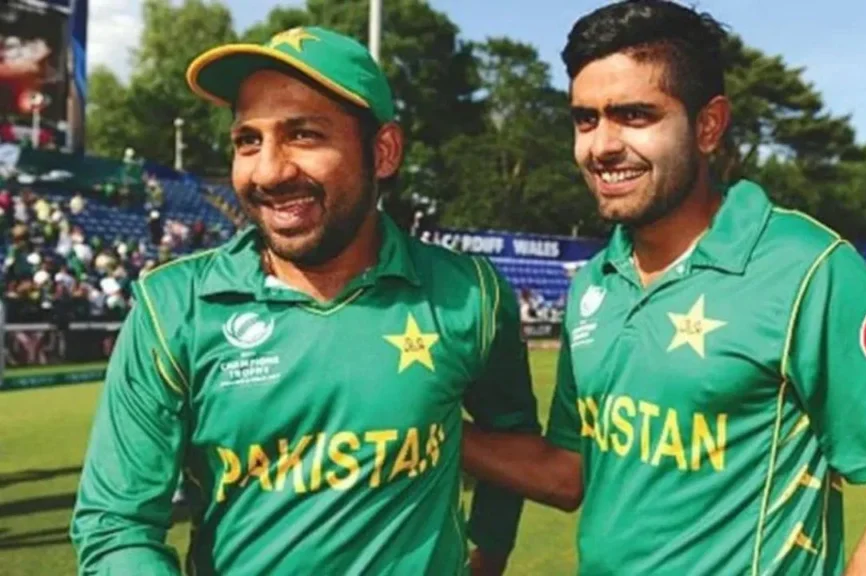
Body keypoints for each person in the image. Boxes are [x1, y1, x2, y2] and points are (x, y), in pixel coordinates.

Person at [461, 2, 866, 575]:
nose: (600, 146)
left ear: (707, 126)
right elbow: (570, 471)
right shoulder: (595, 282)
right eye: (585, 119)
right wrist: (428, 426)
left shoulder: (807, 267)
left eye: (634, 115)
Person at [71, 27, 538, 575]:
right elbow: (116, 523)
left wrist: (489, 554)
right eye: (248, 141)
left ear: (383, 152)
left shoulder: (471, 293)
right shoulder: (172, 306)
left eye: (304, 135)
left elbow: (514, 445)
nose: (269, 171)